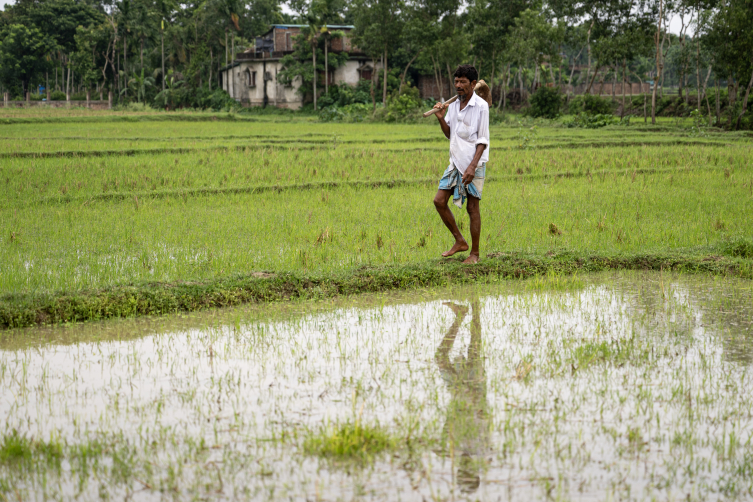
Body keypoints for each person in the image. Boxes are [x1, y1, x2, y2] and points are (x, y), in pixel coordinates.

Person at [432, 64, 490, 264]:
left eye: (463, 82)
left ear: (473, 84)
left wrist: (473, 166)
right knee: (439, 201)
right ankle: (460, 241)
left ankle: (474, 253)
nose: (458, 85)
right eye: (456, 81)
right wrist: (441, 118)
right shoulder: (454, 105)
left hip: (474, 162)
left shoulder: (481, 106)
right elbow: (450, 134)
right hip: (455, 162)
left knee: (473, 209)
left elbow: (483, 140)